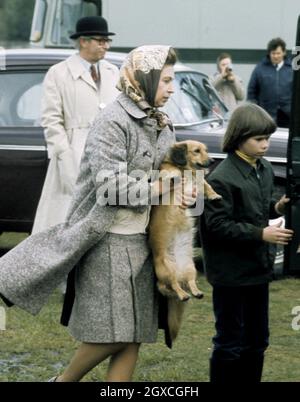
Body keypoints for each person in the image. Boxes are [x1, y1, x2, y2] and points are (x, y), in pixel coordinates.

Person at [0, 45, 192, 382]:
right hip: (106, 241)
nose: (171, 88)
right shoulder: (112, 121)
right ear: (145, 80)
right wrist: (162, 187)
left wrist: (185, 190)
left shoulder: (160, 120)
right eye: (165, 81)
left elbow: (174, 171)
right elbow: (111, 188)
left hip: (144, 243)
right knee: (115, 334)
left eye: (172, 80)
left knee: (133, 337)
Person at [200, 103, 294, 383]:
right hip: (230, 275)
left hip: (257, 271)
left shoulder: (263, 168)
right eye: (259, 139)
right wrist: (260, 234)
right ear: (240, 137)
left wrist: (276, 207)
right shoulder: (220, 177)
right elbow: (216, 226)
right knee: (230, 342)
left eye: (267, 138)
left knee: (257, 340)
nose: (266, 145)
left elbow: (258, 206)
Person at [32, 16, 120, 234]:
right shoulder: (58, 73)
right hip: (72, 151)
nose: (105, 46)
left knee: (103, 213)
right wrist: (64, 155)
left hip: (108, 151)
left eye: (107, 41)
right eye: (100, 40)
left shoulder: (112, 72)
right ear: (83, 41)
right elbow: (52, 120)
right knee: (62, 217)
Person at [247, 37, 293, 128]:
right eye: (273, 53)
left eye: (278, 53)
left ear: (284, 52)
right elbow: (252, 92)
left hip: (288, 117)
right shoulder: (259, 69)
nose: (276, 56)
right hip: (266, 117)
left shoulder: (292, 69)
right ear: (269, 53)